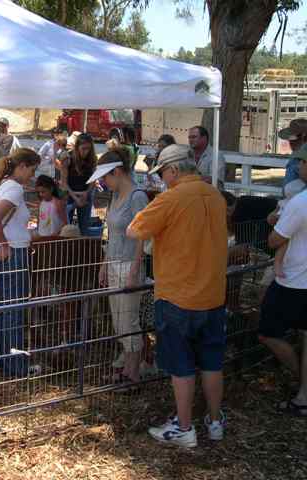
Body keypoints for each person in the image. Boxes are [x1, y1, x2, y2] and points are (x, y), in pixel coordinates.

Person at [127, 144, 228, 447]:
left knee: (181, 365)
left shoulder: (171, 198)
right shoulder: (215, 195)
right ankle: (214, 421)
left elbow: (135, 230)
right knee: (212, 362)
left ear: (172, 170)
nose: (163, 179)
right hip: (213, 294)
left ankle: (185, 428)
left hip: (178, 296)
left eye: (163, 173)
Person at [91, 149, 148, 384]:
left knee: (128, 322)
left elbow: (142, 236)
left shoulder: (137, 197)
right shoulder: (115, 196)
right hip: (114, 262)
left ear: (117, 172)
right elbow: (112, 233)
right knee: (118, 321)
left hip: (128, 265)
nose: (104, 182)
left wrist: (135, 269)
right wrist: (104, 265)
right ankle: (127, 364)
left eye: (106, 177)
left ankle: (132, 373)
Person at [258, 151, 307, 416]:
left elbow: (274, 240)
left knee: (268, 331)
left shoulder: (300, 202)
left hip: (294, 281)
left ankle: (301, 380)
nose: (299, 165)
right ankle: (303, 396)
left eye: (303, 161)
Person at [0, 148, 40, 376]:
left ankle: (2, 359)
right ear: (22, 166)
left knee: (4, 307)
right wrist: (5, 244)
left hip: (9, 252)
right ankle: (17, 365)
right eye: (32, 170)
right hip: (14, 253)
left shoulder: (4, 185)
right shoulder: (15, 189)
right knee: (14, 309)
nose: (33, 175)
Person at [59, 133, 96, 235]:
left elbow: (93, 181)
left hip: (85, 194)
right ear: (77, 147)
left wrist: (86, 193)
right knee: (67, 228)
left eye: (88, 149)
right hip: (70, 195)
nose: (86, 152)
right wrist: (75, 197)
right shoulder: (68, 158)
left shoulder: (92, 159)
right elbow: (64, 183)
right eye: (83, 148)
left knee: (84, 227)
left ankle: (82, 248)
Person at [272, 177, 306, 279]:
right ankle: (277, 264)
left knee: (284, 244)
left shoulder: (293, 203)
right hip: (283, 230)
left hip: (288, 229)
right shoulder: (287, 203)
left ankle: (278, 264)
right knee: (283, 244)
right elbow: (272, 217)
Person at [277, 118, 307, 186]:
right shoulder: (298, 153)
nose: (290, 141)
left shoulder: (300, 156)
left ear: (303, 136)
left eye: (293, 139)